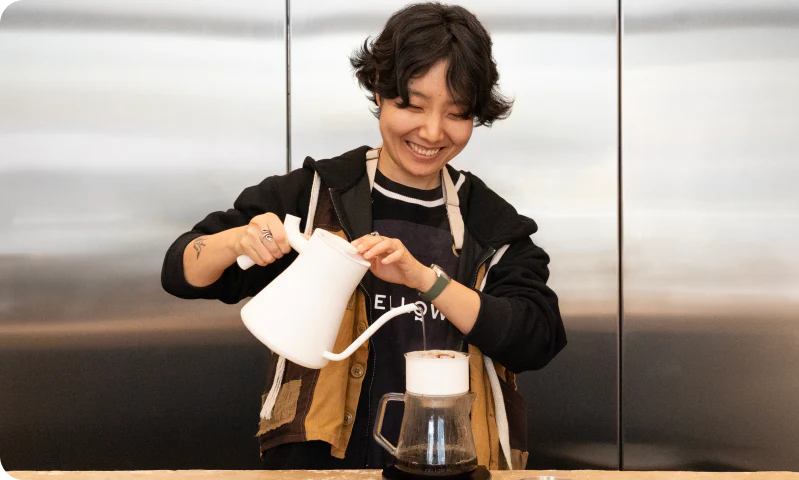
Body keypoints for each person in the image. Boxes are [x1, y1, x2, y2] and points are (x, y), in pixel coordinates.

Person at [161, 2, 565, 471]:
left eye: (457, 114)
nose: (432, 132)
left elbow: (536, 336)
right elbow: (181, 270)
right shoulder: (314, 196)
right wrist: (236, 241)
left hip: (449, 466)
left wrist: (425, 279)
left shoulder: (488, 222)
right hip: (317, 464)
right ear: (380, 88)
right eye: (412, 105)